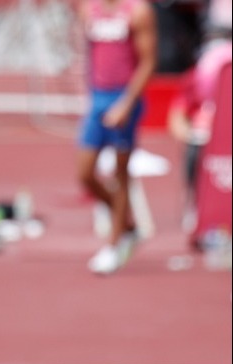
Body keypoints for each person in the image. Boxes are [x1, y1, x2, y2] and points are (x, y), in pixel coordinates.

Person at [76, 0, 158, 274]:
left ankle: (115, 243)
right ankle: (128, 223)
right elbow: (89, 52)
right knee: (85, 174)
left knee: (120, 175)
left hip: (125, 99)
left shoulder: (138, 11)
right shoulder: (89, 8)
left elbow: (148, 62)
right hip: (98, 98)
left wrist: (126, 103)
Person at [167, 25, 232, 231]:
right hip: (205, 138)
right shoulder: (197, 76)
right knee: (194, 156)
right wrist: (191, 135)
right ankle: (195, 204)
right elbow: (177, 115)